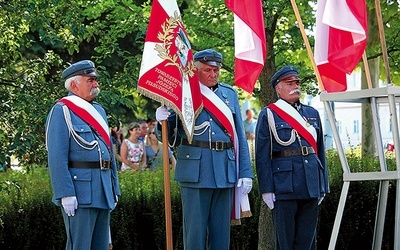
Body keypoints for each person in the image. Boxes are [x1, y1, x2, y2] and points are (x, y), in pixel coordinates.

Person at [155, 49, 253, 250]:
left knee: (221, 234)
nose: (213, 74)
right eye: (207, 70)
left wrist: (245, 172)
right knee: (195, 235)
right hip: (195, 171)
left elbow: (239, 136)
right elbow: (169, 136)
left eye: (216, 70)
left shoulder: (229, 94)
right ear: (195, 70)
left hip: (224, 169)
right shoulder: (183, 93)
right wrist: (161, 121)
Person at [45, 60, 121, 250]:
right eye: (90, 80)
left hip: (103, 190)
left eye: (95, 80)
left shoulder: (99, 111)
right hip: (80, 192)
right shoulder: (62, 111)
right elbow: (56, 157)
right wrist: (65, 193)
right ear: (74, 85)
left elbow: (109, 154)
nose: (96, 84)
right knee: (80, 246)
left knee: (101, 246)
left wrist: (114, 187)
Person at [255, 65, 329, 249]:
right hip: (284, 185)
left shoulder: (312, 114)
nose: (295, 86)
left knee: (307, 241)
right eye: (289, 83)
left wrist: (323, 184)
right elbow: (262, 155)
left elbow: (320, 152)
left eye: (296, 82)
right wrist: (266, 189)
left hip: (310, 182)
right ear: (277, 88)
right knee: (285, 242)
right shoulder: (269, 115)